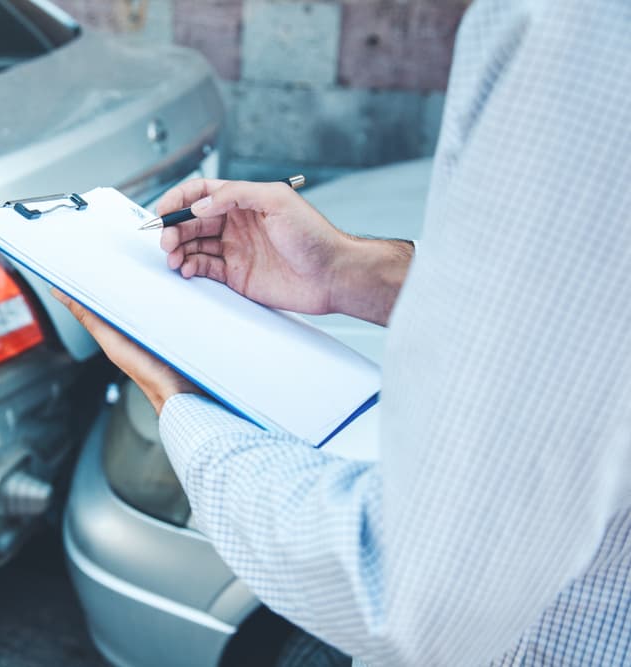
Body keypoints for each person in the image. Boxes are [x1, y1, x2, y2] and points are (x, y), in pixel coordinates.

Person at [55, 0, 631, 664]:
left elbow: (408, 589)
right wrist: (352, 270)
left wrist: (183, 400)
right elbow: (589, 311)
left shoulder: (580, 26)